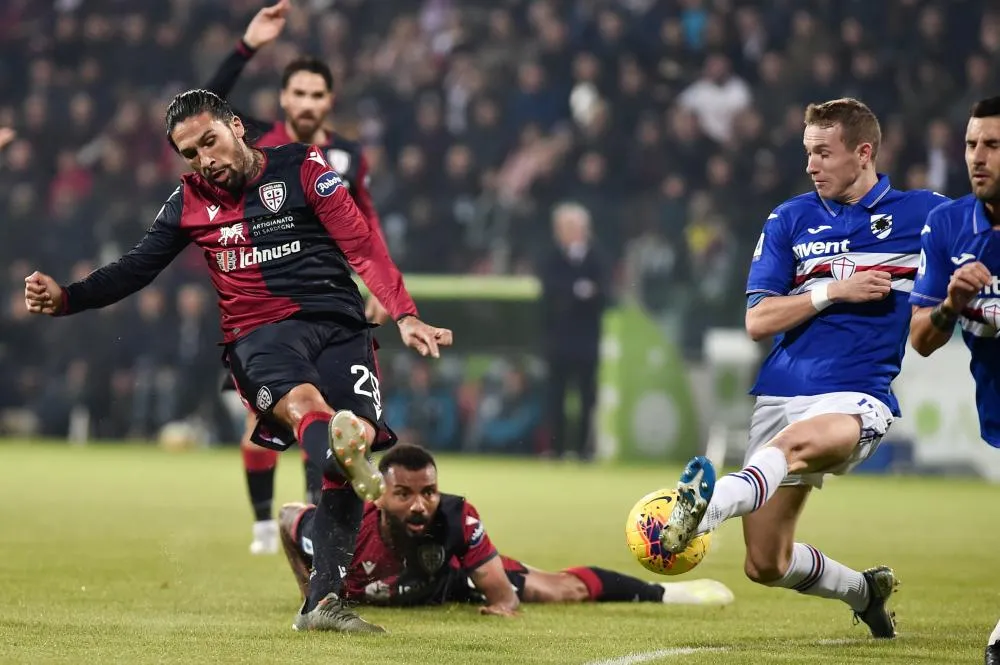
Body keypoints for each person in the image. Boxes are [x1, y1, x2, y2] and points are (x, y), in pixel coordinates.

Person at [24, 89, 453, 633]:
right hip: (259, 334)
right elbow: (135, 268)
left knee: (350, 445)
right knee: (309, 411)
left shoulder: (303, 167)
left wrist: (405, 314)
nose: (205, 159)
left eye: (210, 141)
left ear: (236, 126)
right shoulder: (187, 203)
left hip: (341, 326)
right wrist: (67, 298)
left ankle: (322, 603)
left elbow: (361, 244)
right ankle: (344, 457)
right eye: (191, 153)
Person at [650, 98, 949, 639]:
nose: (811, 165)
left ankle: (705, 510)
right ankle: (865, 591)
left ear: (863, 153)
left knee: (796, 446)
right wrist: (834, 292)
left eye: (823, 153)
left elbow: (982, 235)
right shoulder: (790, 218)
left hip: (857, 395)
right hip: (781, 393)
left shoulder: (923, 213)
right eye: (807, 152)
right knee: (765, 562)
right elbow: (758, 319)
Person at [203, 0, 392, 555]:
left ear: (330, 101)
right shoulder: (255, 140)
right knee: (268, 416)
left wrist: (382, 285)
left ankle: (311, 523)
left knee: (331, 412)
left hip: (325, 300)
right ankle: (266, 521)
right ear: (283, 98)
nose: (307, 103)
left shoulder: (349, 157)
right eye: (299, 93)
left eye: (317, 94)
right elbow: (204, 106)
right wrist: (248, 45)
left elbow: (366, 224)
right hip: (260, 301)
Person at [277, 444, 735, 613]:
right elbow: (287, 517)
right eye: (404, 495)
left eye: (429, 492)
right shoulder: (344, 532)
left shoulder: (455, 517)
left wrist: (502, 603)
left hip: (452, 578)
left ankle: (665, 593)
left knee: (558, 591)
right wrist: (311, 589)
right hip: (406, 581)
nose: (420, 505)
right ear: (380, 498)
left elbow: (506, 601)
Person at [904, 96, 1000, 664]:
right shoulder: (946, 226)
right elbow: (921, 337)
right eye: (970, 145)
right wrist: (951, 303)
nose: (977, 157)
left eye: (992, 145)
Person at [539, 202, 609, 460]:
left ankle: (582, 451)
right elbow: (548, 291)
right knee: (555, 396)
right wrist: (578, 291)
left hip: (586, 340)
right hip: (558, 340)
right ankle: (555, 450)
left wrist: (574, 294)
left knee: (586, 397)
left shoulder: (597, 256)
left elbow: (604, 293)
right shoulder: (551, 256)